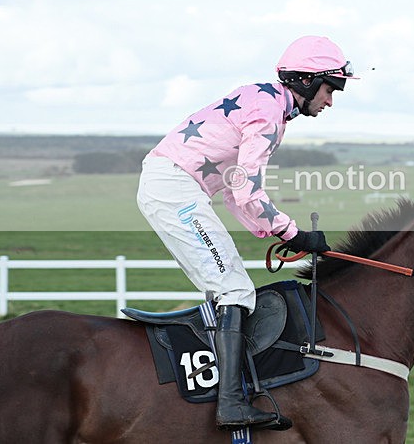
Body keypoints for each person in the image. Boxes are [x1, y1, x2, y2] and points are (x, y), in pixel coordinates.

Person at [136, 35, 356, 431]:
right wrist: (295, 234)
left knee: (232, 285)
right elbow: (247, 191)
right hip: (174, 189)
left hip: (173, 186)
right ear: (306, 81)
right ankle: (232, 403)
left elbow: (237, 192)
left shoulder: (264, 101)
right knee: (234, 289)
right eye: (330, 88)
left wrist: (281, 233)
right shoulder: (268, 113)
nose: (331, 100)